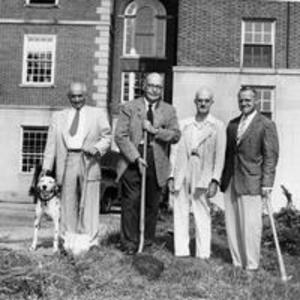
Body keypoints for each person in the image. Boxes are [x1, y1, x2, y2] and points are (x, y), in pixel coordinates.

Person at [115, 72, 181, 255]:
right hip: (133, 159)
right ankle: (129, 244)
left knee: (152, 204)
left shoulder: (169, 110)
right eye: (151, 85)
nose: (154, 90)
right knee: (131, 203)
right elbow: (120, 135)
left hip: (156, 160)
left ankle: (147, 243)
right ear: (144, 86)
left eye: (158, 87)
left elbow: (176, 135)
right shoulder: (129, 107)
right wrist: (136, 157)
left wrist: (155, 131)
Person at [42, 81, 112, 248]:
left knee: (90, 201)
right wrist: (46, 167)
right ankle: (68, 241)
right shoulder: (58, 117)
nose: (77, 99)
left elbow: (107, 138)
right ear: (69, 97)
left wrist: (96, 149)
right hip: (67, 160)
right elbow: (51, 144)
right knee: (67, 201)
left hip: (89, 160)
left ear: (85, 96)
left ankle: (90, 241)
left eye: (80, 96)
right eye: (73, 96)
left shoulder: (97, 114)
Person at [220, 86, 279, 271]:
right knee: (233, 225)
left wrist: (267, 183)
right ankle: (237, 262)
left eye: (248, 100)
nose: (244, 103)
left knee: (251, 226)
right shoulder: (232, 124)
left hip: (252, 180)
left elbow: (271, 156)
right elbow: (229, 154)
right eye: (241, 100)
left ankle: (251, 265)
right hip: (231, 180)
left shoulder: (266, 124)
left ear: (256, 101)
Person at [168, 87, 226, 258]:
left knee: (202, 211)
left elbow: (220, 155)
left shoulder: (217, 126)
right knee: (180, 209)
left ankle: (203, 253)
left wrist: (215, 180)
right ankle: (181, 251)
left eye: (206, 100)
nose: (203, 103)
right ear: (195, 102)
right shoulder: (184, 124)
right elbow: (174, 150)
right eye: (200, 100)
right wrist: (171, 175)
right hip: (183, 169)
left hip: (204, 172)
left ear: (211, 103)